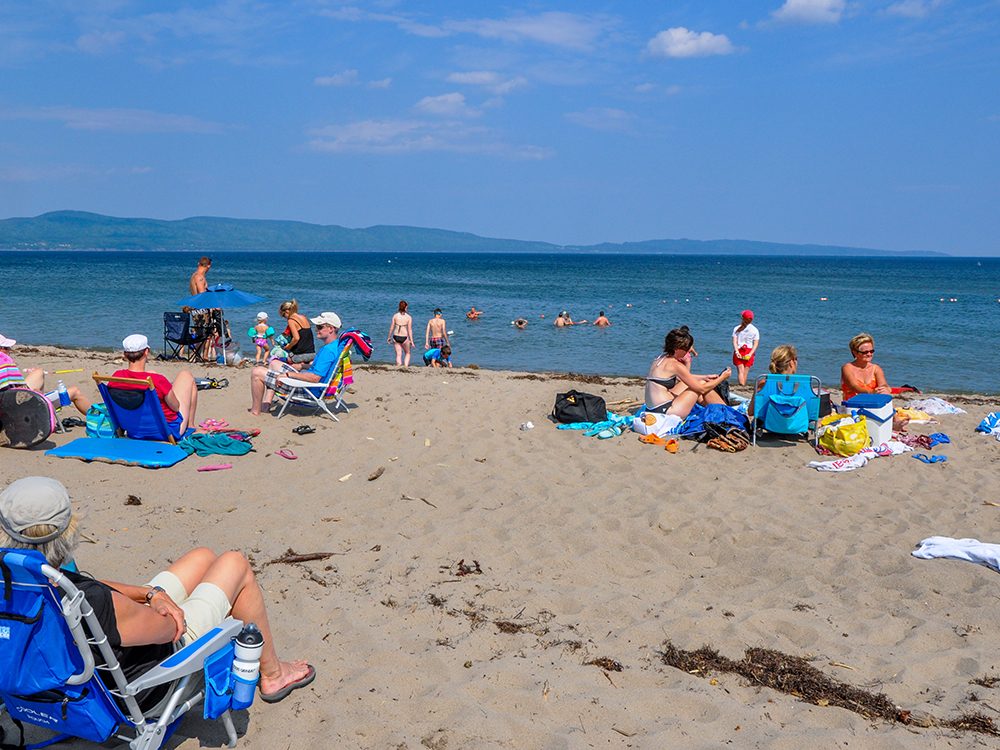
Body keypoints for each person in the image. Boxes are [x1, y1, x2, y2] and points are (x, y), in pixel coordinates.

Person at [0, 475, 315, 704]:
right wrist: (157, 607)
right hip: (146, 684)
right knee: (235, 564)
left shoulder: (28, 581)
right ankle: (273, 675)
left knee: (202, 558)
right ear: (68, 529)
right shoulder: (94, 601)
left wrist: (149, 593)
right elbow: (171, 629)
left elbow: (88, 586)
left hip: (64, 675)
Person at [249, 312, 342, 415]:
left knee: (256, 372)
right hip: (310, 383)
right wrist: (302, 366)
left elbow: (315, 378)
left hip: (307, 390)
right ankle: (266, 405)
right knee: (274, 363)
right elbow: (323, 369)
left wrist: (288, 374)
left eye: (320, 327)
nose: (316, 330)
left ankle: (255, 411)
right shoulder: (336, 345)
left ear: (331, 329)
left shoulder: (328, 351)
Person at [112, 334, 198, 437]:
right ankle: (191, 426)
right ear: (146, 352)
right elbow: (175, 407)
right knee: (186, 375)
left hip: (135, 429)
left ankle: (191, 425)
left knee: (154, 375)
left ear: (125, 355)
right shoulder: (156, 380)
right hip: (166, 431)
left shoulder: (116, 377)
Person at [644, 325, 731, 418]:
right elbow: (701, 389)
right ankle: (727, 412)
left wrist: (705, 376)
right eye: (686, 350)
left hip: (652, 408)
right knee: (702, 385)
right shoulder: (675, 365)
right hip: (666, 411)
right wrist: (722, 377)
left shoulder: (660, 358)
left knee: (693, 382)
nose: (688, 352)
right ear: (677, 349)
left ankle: (711, 405)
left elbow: (683, 377)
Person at [0, 333, 91, 415]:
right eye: (6, 348)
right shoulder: (5, 364)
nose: (10, 351)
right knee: (75, 391)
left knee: (38, 372)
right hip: (20, 413)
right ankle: (99, 420)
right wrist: (35, 394)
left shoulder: (2, 369)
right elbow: (17, 397)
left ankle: (42, 404)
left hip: (7, 406)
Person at [747, 345, 797, 418]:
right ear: (791, 363)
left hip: (767, 426)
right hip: (797, 426)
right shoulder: (803, 384)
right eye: (796, 359)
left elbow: (751, 412)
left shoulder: (763, 383)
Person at [841, 332, 891, 401]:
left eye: (871, 351)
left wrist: (884, 389)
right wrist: (872, 392)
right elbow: (854, 386)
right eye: (865, 352)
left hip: (872, 405)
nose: (869, 354)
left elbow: (883, 384)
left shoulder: (876, 368)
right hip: (851, 406)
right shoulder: (847, 368)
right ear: (855, 352)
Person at [274, 300, 315, 364]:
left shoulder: (291, 320)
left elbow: (296, 338)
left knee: (276, 359)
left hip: (300, 355)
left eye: (283, 315)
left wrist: (288, 347)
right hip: (312, 353)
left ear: (287, 311)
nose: (284, 318)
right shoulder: (303, 317)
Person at [732, 310, 760, 386]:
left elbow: (734, 342)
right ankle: (743, 385)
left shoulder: (736, 328)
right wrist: (750, 354)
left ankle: (741, 385)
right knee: (745, 371)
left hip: (739, 350)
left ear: (742, 318)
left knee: (740, 371)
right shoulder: (755, 330)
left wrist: (737, 351)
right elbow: (755, 344)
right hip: (749, 351)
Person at [387, 301, 414, 367]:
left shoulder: (395, 316)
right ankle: (406, 366)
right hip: (404, 337)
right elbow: (410, 330)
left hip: (396, 336)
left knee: (398, 354)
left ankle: (398, 365)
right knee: (407, 353)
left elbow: (392, 327)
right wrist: (412, 341)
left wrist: (389, 337)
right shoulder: (409, 317)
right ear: (406, 307)